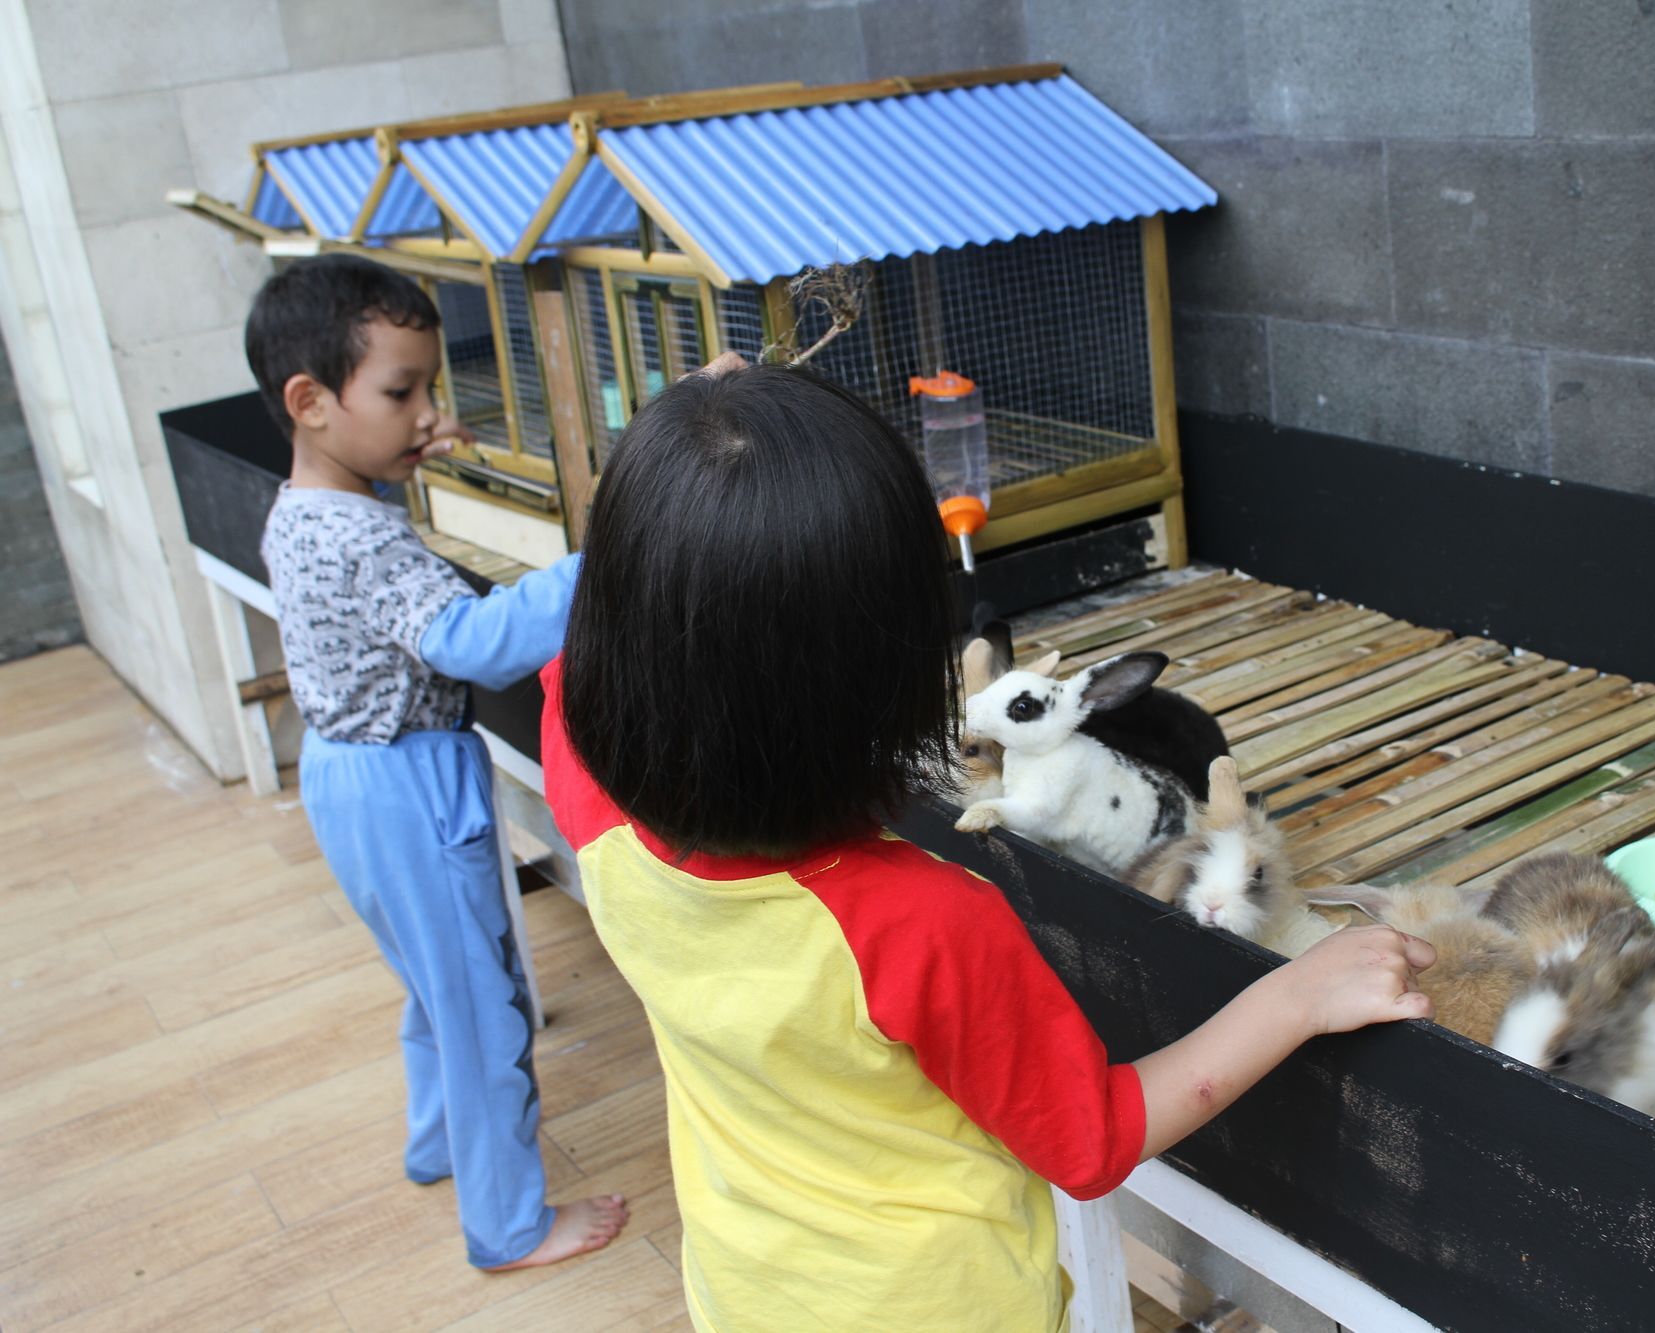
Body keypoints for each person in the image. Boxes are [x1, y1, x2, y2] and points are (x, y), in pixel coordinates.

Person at [542, 360, 1434, 1329]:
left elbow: (590, 656)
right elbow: (1089, 1138)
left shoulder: (590, 804)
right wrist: (1295, 993)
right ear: (882, 677)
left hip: (755, 1291)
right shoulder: (920, 922)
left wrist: (687, 469)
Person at [246, 254, 626, 1270]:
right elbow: (468, 640)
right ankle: (508, 1225)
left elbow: (381, 589)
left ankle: (435, 1146)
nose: (426, 412)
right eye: (402, 391)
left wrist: (415, 448)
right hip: (409, 784)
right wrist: (602, 560)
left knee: (432, 983)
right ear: (310, 401)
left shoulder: (307, 509)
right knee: (483, 1004)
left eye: (431, 390)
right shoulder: (366, 539)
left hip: (345, 776)